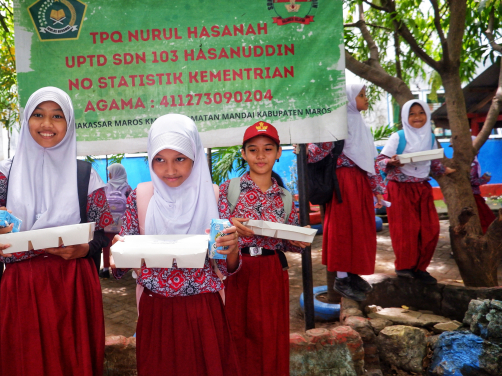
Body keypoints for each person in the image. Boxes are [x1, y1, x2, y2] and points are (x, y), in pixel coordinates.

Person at [0, 87, 113, 376]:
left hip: (73, 280)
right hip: (23, 284)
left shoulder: (85, 175)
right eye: (38, 115)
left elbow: (105, 232)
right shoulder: (1, 175)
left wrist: (85, 249)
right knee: (29, 361)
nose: (47, 124)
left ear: (69, 123)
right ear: (26, 120)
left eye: (57, 116)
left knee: (74, 359)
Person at [112, 114, 242, 376]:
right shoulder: (141, 197)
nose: (169, 170)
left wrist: (232, 251)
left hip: (203, 310)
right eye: (159, 159)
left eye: (179, 159)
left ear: (195, 156)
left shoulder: (213, 196)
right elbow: (119, 270)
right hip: (155, 310)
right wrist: (118, 254)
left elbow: (226, 268)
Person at [218, 120, 308, 376]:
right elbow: (216, 231)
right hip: (237, 270)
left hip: (271, 271)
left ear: (279, 153)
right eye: (253, 149)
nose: (260, 155)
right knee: (235, 331)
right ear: (244, 153)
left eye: (268, 149)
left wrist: (298, 242)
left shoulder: (285, 197)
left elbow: (288, 242)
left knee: (271, 333)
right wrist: (229, 224)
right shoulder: (229, 189)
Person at [307, 85, 386, 301]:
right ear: (349, 99)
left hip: (359, 183)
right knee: (343, 228)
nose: (365, 98)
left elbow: (371, 160)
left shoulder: (360, 126)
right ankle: (341, 278)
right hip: (343, 183)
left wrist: (377, 190)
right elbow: (315, 153)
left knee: (360, 228)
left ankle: (353, 273)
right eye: (360, 95)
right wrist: (307, 143)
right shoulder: (336, 124)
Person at [377, 99, 455, 284]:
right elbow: (380, 161)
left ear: (427, 115)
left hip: (422, 188)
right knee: (406, 230)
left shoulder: (430, 137)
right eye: (412, 114)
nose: (417, 117)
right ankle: (404, 268)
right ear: (405, 116)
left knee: (431, 229)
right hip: (399, 189)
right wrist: (392, 162)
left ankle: (420, 268)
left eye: (421, 112)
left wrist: (446, 170)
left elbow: (435, 163)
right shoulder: (398, 137)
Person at [100, 163, 132, 278]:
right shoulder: (127, 187)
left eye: (110, 172)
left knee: (107, 244)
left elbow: (101, 202)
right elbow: (131, 203)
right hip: (122, 222)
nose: (109, 175)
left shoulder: (106, 186)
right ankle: (119, 268)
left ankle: (105, 268)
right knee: (120, 244)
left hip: (108, 221)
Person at [470, 136, 495, 233]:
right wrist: (484, 179)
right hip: (473, 195)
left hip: (473, 194)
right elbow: (472, 181)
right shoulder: (472, 163)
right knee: (485, 218)